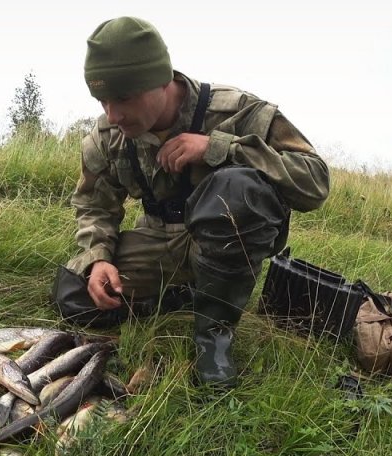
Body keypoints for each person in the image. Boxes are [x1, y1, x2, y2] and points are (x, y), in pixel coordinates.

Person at [51, 16, 330, 389]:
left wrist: (220, 148)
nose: (113, 114)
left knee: (236, 189)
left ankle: (213, 339)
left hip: (226, 240)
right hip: (160, 242)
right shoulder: (108, 136)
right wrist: (99, 257)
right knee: (75, 293)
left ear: (162, 81)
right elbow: (94, 205)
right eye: (102, 100)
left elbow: (314, 182)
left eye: (123, 98)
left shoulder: (236, 112)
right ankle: (188, 297)